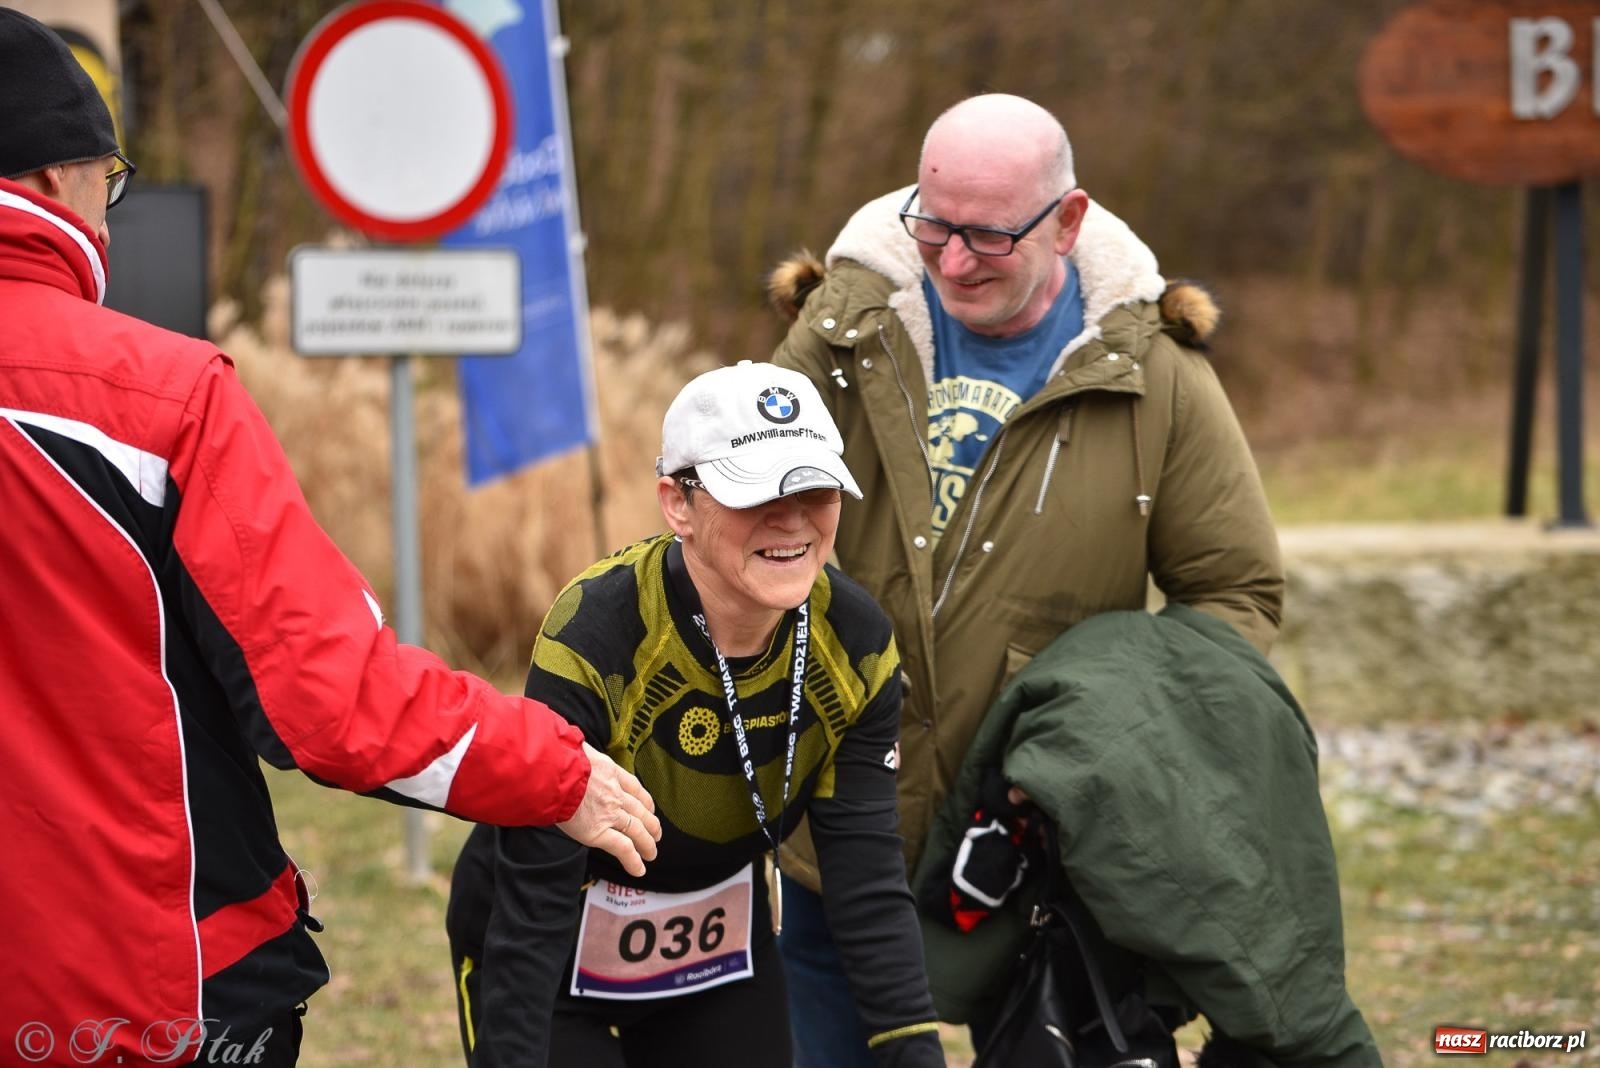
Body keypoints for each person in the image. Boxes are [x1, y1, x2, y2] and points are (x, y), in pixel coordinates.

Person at [0, 10, 660, 1066]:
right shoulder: (156, 396)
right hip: (131, 986)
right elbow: (328, 699)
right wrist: (554, 770)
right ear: (48, 182)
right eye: (105, 181)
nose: (110, 218)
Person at [767, 92, 1284, 1064]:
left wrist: (1100, 749)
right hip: (843, 817)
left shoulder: (1152, 373)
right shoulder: (841, 333)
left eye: (988, 236)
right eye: (933, 226)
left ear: (1068, 219)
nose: (952, 261)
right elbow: (738, 533)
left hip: (1042, 851)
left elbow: (1233, 597)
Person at [446, 361, 946, 1068]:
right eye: (756, 491)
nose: (793, 518)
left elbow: (865, 881)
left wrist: (913, 1051)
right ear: (677, 504)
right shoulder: (600, 627)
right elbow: (535, 889)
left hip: (711, 950)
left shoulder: (856, 642)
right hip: (548, 941)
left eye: (813, 486)